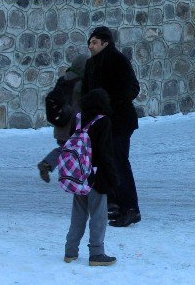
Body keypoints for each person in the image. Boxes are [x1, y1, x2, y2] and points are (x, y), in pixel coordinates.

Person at [82, 26, 141, 228]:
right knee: (107, 162)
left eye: (94, 42)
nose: (90, 46)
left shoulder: (117, 61)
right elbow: (86, 94)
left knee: (119, 162)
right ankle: (115, 204)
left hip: (119, 121)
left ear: (105, 43)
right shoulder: (91, 65)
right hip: (100, 124)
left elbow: (132, 88)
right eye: (90, 42)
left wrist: (108, 105)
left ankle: (131, 209)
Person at [64, 88, 120, 266]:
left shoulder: (78, 119)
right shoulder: (103, 121)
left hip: (78, 175)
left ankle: (70, 251)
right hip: (97, 177)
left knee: (78, 214)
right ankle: (96, 253)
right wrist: (114, 178)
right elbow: (106, 154)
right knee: (99, 216)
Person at [37, 54, 87, 182]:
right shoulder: (81, 83)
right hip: (73, 124)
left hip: (61, 122)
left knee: (68, 148)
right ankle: (51, 165)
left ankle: (54, 167)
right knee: (74, 149)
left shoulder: (63, 80)